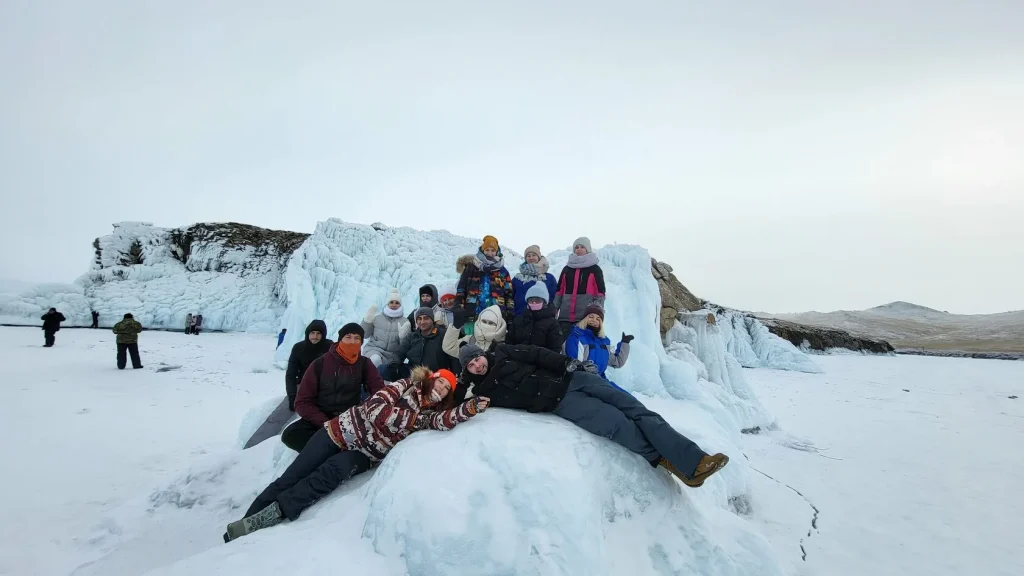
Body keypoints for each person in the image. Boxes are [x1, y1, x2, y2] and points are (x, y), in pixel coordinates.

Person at [224, 368, 490, 542]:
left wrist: (470, 408)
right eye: (440, 382)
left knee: (328, 476)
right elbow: (374, 408)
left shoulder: (431, 415)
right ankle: (247, 521)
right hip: (339, 431)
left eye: (446, 389)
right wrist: (414, 419)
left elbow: (444, 421)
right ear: (431, 378)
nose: (441, 389)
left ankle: (279, 510)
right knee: (294, 474)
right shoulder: (405, 385)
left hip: (364, 453)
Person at [456, 343, 729, 488]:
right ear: (468, 370)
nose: (477, 365)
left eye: (477, 359)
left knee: (635, 410)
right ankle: (670, 463)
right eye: (471, 365)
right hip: (562, 404)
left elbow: (539, 355)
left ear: (482, 354)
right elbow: (451, 401)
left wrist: (568, 363)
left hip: (574, 378)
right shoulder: (484, 391)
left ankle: (695, 460)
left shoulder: (505, 352)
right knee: (618, 425)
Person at [285, 323, 384, 452]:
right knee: (291, 434)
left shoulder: (364, 364)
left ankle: (329, 450)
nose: (352, 342)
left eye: (357, 338)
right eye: (348, 337)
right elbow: (302, 402)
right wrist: (326, 424)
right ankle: (334, 450)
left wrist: (366, 412)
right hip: (322, 419)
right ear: (340, 339)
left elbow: (380, 392)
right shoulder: (320, 363)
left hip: (349, 419)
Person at [454, 235, 514, 335]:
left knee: (492, 346)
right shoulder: (471, 268)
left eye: (492, 250)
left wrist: (510, 315)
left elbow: (509, 295)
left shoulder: (503, 272)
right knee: (471, 343)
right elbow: (461, 290)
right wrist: (459, 308)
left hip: (496, 316)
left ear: (497, 251)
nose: (490, 253)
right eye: (487, 250)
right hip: (472, 315)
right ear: (482, 250)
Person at [552, 237, 606, 341]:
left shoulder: (595, 269)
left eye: (582, 247)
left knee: (582, 346)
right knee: (562, 344)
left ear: (588, 249)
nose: (579, 249)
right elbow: (559, 292)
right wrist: (554, 310)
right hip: (565, 317)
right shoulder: (567, 269)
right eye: (577, 247)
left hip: (584, 317)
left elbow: (600, 293)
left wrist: (596, 312)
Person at [563, 304, 632, 382]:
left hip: (600, 380)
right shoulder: (576, 337)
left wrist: (625, 343)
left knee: (622, 394)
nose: (594, 320)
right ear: (584, 318)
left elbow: (617, 362)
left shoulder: (605, 341)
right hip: (581, 381)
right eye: (591, 317)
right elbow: (574, 365)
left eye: (598, 319)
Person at [383, 307, 453, 380]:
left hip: (434, 376)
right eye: (419, 319)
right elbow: (398, 353)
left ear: (432, 320)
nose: (422, 322)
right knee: (383, 369)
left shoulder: (442, 335)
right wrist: (394, 364)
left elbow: (452, 358)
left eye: (426, 318)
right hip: (413, 373)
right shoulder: (412, 336)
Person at [284, 320, 334, 413]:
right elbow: (291, 374)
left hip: (324, 388)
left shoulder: (330, 346)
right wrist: (292, 396)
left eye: (318, 333)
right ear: (308, 333)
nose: (315, 337)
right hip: (303, 386)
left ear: (323, 334)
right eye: (312, 333)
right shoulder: (298, 348)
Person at [362, 288, 411, 370]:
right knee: (375, 359)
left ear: (400, 305)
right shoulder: (377, 318)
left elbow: (404, 347)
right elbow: (365, 335)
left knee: (386, 378)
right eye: (391, 302)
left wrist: (402, 337)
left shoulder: (405, 322)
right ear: (387, 304)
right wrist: (366, 321)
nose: (394, 305)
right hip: (374, 350)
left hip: (391, 356)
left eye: (397, 303)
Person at [506, 283, 562, 352]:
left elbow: (555, 349)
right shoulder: (518, 320)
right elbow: (509, 343)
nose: (534, 303)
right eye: (531, 300)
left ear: (544, 302)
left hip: (542, 361)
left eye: (538, 300)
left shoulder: (552, 324)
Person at [443, 304, 507, 360]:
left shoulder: (505, 344)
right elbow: (449, 348)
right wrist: (455, 327)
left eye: (491, 323)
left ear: (498, 324)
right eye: (484, 321)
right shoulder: (471, 340)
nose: (486, 325)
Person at [512, 245, 558, 316]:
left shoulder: (548, 278)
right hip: (520, 317)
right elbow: (511, 297)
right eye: (528, 256)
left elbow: (553, 298)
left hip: (543, 319)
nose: (531, 258)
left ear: (538, 257)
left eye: (534, 255)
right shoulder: (518, 278)